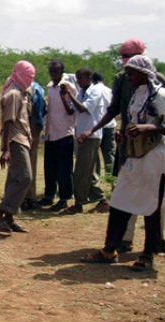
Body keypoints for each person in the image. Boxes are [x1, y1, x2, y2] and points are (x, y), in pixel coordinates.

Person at [81, 55, 165, 271]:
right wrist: (123, 135)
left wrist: (149, 129)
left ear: (145, 74)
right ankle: (109, 250)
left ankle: (148, 255)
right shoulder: (137, 95)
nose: (128, 78)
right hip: (134, 156)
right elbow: (133, 121)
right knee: (119, 201)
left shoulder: (162, 95)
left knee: (151, 206)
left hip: (155, 157)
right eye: (127, 73)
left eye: (132, 74)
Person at [0, 61, 35, 233]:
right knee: (25, 177)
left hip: (21, 139)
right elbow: (7, 122)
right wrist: (6, 149)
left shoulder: (20, 92)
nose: (31, 79)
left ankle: (9, 218)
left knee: (14, 179)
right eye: (29, 76)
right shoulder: (14, 94)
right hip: (15, 141)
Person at [67, 67, 109, 214]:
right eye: (77, 78)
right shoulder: (82, 92)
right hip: (82, 135)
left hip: (91, 136)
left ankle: (79, 203)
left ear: (89, 77)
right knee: (89, 171)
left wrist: (70, 95)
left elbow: (84, 108)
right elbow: (72, 110)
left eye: (81, 78)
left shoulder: (95, 92)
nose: (78, 81)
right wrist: (64, 97)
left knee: (81, 171)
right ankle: (101, 200)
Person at [38, 59, 76, 212]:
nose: (53, 74)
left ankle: (65, 198)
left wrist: (64, 96)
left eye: (56, 72)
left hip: (64, 133)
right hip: (51, 133)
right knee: (50, 167)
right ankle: (49, 195)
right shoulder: (50, 86)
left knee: (64, 169)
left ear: (61, 72)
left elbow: (71, 110)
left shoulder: (68, 87)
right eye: (51, 72)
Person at [22, 80, 46, 210]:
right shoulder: (38, 88)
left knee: (25, 166)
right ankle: (29, 197)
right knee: (30, 164)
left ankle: (26, 198)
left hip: (27, 130)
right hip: (33, 129)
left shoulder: (27, 88)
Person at [91, 72, 117, 174]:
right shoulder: (110, 91)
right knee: (109, 154)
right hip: (110, 125)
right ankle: (111, 180)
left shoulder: (92, 91)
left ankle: (95, 181)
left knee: (94, 156)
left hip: (96, 126)